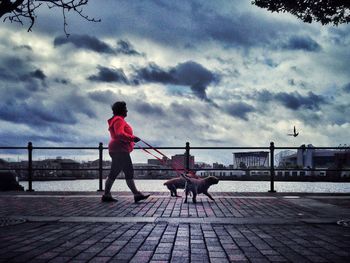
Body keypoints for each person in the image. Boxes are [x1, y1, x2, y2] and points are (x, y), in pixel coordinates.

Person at [102, 101, 150, 203]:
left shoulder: (117, 119)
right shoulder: (119, 120)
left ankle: (106, 195)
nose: (127, 110)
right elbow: (119, 134)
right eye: (125, 108)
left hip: (117, 149)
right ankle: (136, 194)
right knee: (128, 172)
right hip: (120, 150)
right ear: (121, 110)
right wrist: (132, 138)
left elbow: (119, 135)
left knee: (114, 172)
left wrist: (131, 139)